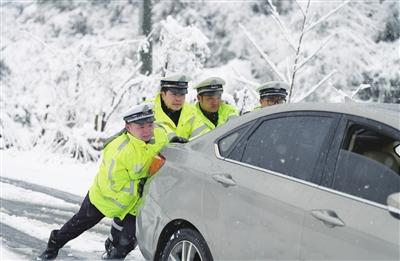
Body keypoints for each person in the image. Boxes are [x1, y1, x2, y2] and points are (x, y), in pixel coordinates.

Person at [37, 102, 168, 260]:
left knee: (127, 242)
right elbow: (114, 184)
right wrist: (142, 183)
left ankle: (112, 254)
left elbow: (167, 135)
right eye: (141, 127)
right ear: (128, 127)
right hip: (103, 198)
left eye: (149, 124)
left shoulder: (158, 135)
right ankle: (54, 244)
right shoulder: (118, 150)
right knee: (76, 226)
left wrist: (177, 140)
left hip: (132, 204)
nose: (147, 130)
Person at [152, 74, 206, 141]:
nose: (178, 99)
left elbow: (203, 136)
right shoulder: (149, 111)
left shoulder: (192, 112)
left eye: (182, 94)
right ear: (163, 95)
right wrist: (172, 139)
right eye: (174, 94)